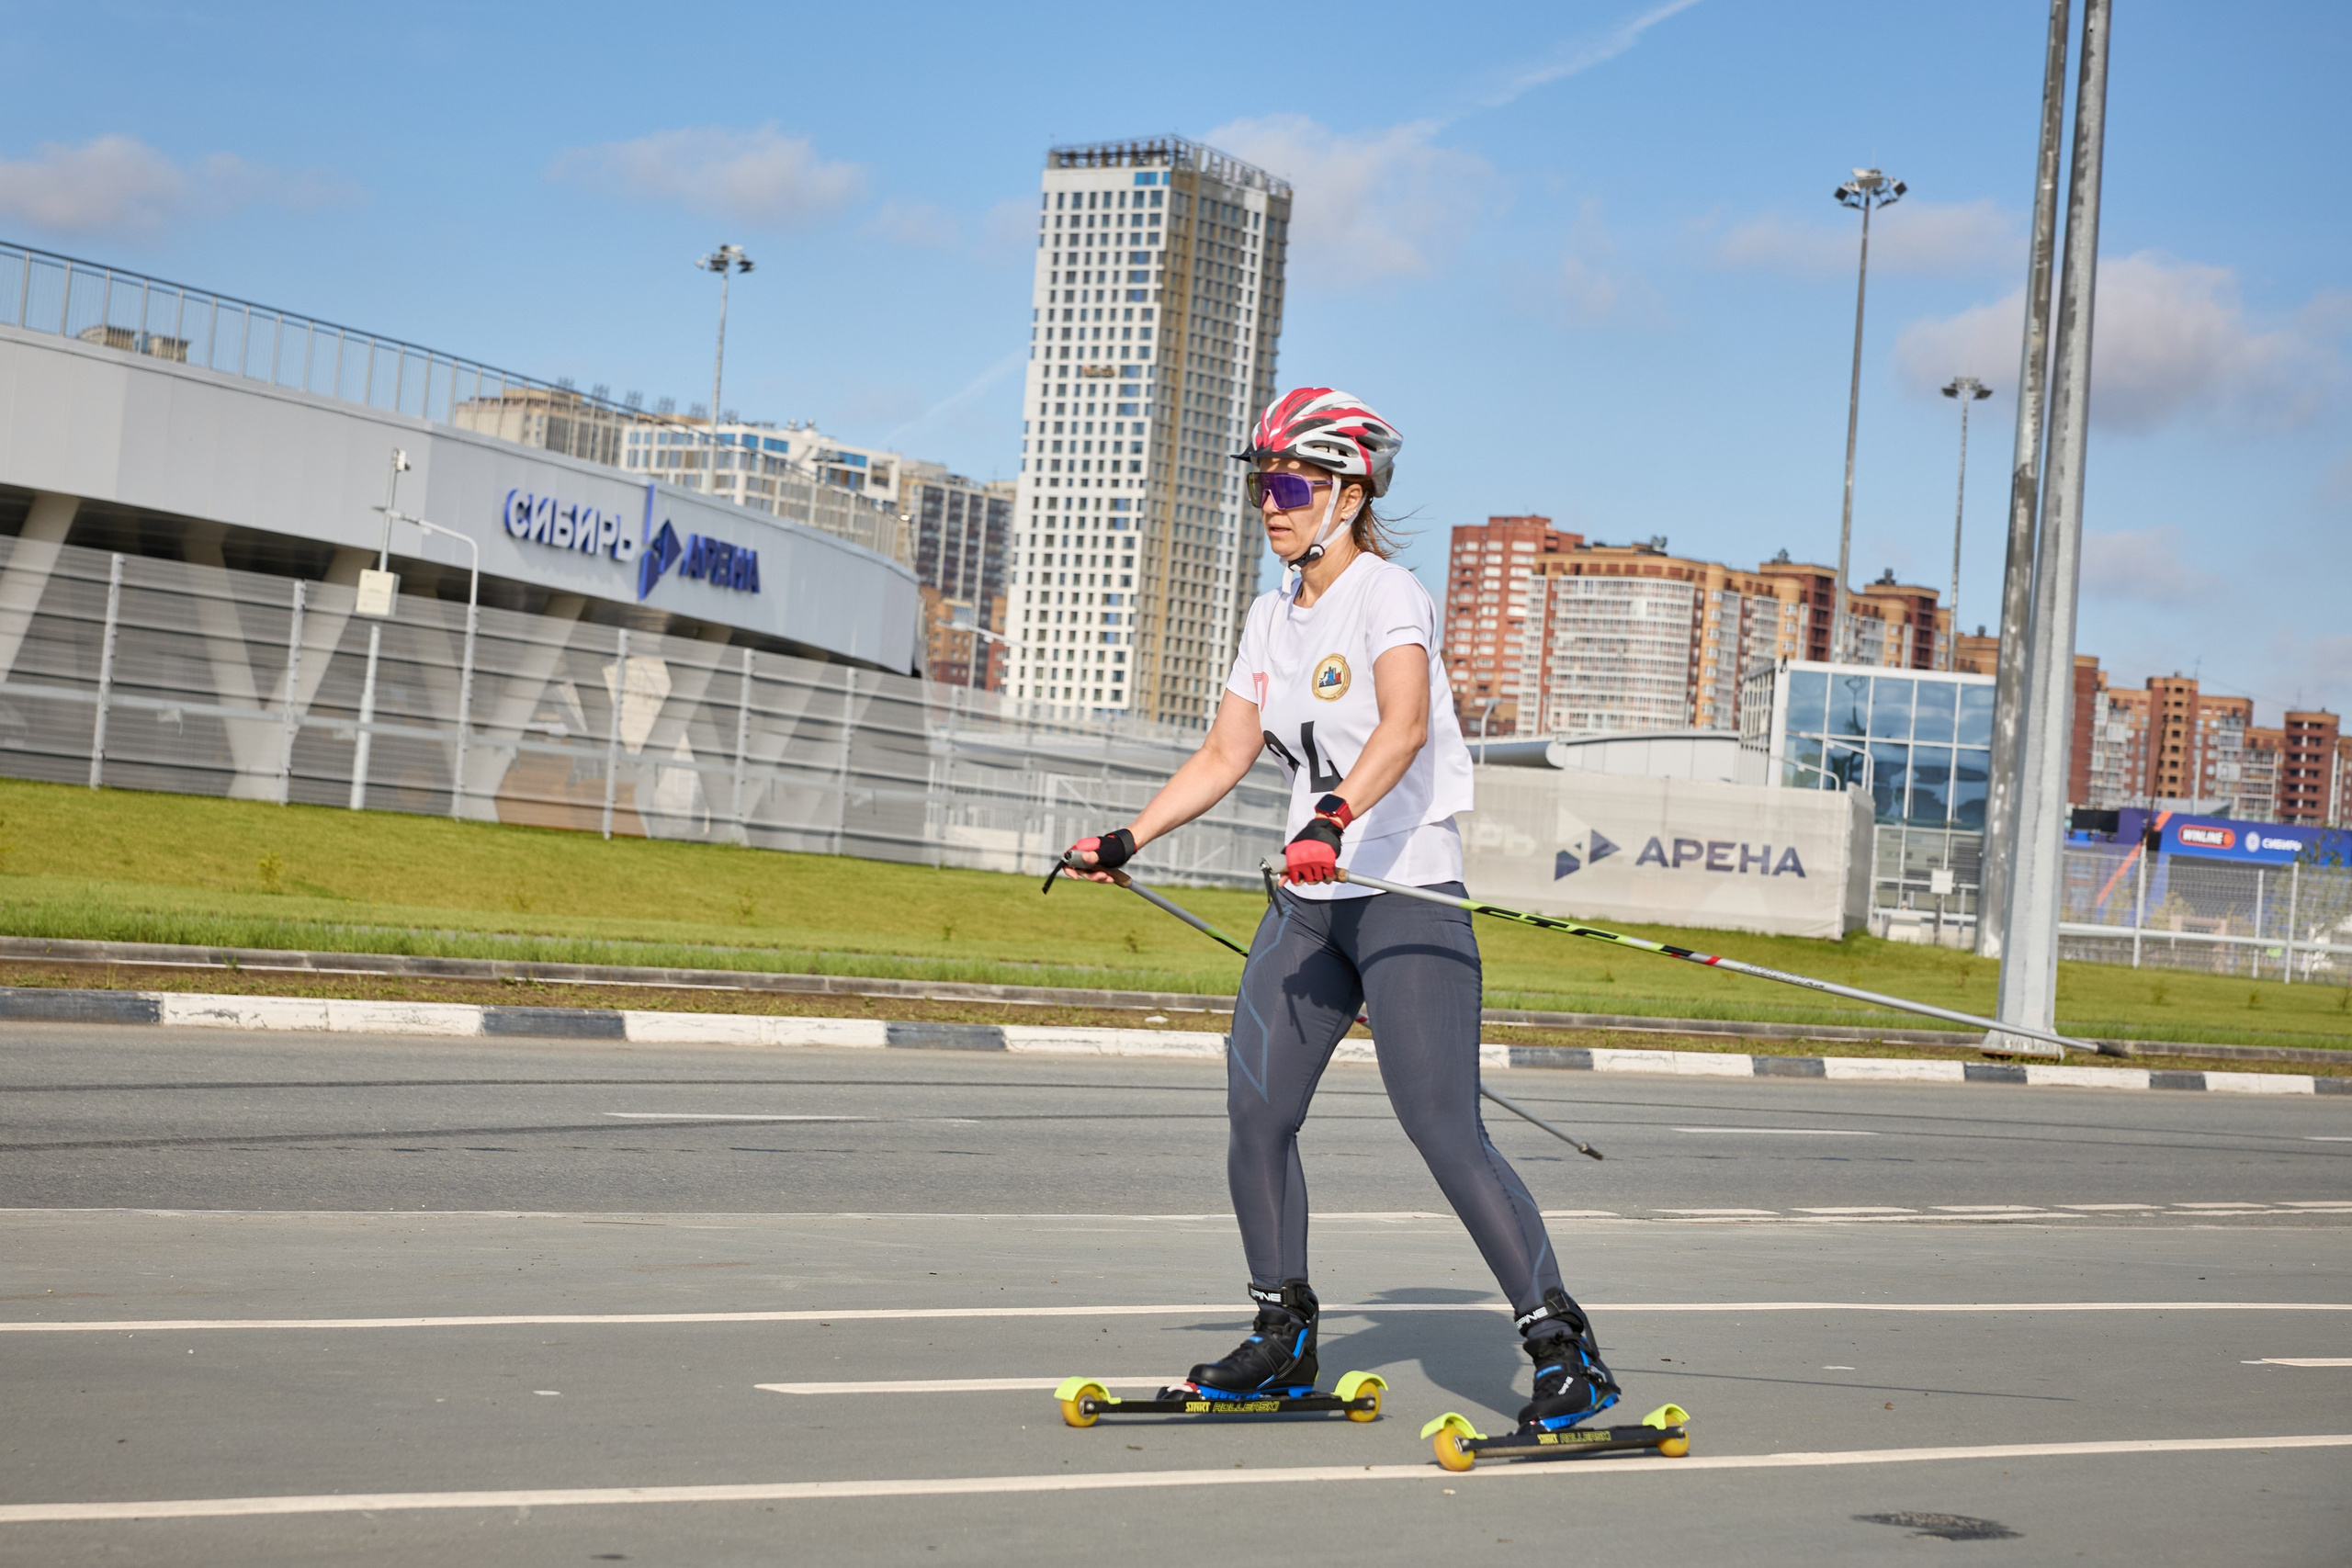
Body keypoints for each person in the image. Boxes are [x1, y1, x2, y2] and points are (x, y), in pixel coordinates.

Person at [1055, 388, 1619, 1434]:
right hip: (1309, 908)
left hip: (1403, 895)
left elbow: (1401, 729)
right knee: (1256, 1112)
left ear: (1349, 493)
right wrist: (1130, 836)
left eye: (1287, 484)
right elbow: (1227, 751)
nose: (1267, 503)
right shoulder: (1272, 614)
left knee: (1442, 1128)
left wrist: (1330, 815)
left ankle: (1560, 1345)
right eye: (1259, 483)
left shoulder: (1387, 593)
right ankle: (1282, 1336)